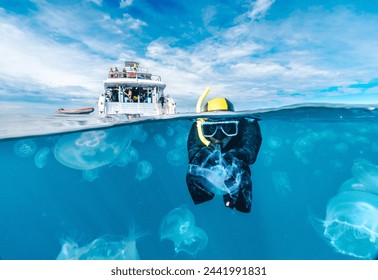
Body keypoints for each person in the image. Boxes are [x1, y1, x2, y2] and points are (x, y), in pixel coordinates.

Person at [186, 97, 262, 213]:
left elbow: (250, 151)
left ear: (236, 124)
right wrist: (202, 157)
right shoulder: (197, 130)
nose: (219, 137)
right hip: (208, 176)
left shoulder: (247, 126)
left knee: (242, 174)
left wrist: (236, 155)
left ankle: (237, 203)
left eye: (227, 128)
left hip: (236, 160)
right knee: (194, 176)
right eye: (210, 128)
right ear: (202, 129)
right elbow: (194, 156)